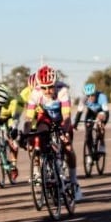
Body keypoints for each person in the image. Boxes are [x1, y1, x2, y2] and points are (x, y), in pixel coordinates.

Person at [24, 65, 82, 201]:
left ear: (55, 83)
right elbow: (28, 118)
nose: (47, 91)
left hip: (61, 119)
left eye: (50, 86)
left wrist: (64, 130)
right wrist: (25, 133)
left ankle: (74, 182)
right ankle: (46, 166)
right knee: (39, 135)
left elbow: (67, 116)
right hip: (46, 119)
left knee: (68, 148)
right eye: (44, 87)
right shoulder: (35, 94)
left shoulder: (62, 91)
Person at [74, 82, 110, 154]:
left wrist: (103, 124)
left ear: (95, 93)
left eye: (92, 95)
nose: (90, 97)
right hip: (91, 112)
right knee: (87, 135)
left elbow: (106, 113)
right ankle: (90, 154)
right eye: (88, 95)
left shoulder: (102, 97)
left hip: (101, 111)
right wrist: (76, 123)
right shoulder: (83, 99)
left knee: (100, 121)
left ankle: (102, 144)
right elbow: (79, 112)